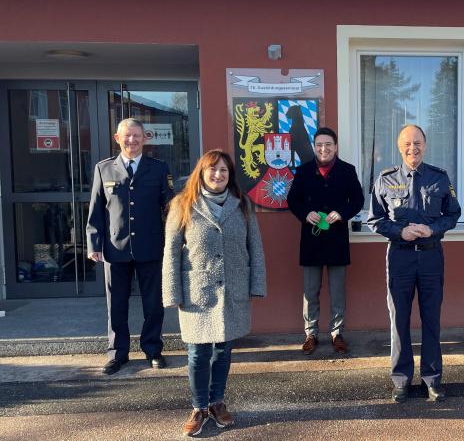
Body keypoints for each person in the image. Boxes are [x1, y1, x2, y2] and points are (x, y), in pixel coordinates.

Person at [162, 149, 266, 437]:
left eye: (224, 171)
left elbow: (254, 246)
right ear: (202, 172)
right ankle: (199, 406)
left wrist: (256, 284)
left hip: (233, 288)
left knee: (224, 350)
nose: (218, 175)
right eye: (213, 170)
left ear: (230, 175)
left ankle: (217, 401)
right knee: (197, 353)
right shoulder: (182, 204)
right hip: (197, 292)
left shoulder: (242, 204)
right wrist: (172, 292)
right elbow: (171, 252)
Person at [368, 124, 461, 403]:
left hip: (431, 256)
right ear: (400, 147)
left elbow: (453, 214)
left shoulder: (440, 178)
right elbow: (375, 220)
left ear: (425, 144)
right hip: (400, 257)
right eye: (407, 144)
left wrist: (433, 229)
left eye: (418, 143)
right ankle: (401, 380)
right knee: (399, 320)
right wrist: (401, 232)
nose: (413, 148)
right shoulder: (385, 179)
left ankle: (432, 379)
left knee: (431, 319)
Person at [86, 118, 173, 375]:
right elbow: (96, 210)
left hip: (150, 246)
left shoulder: (158, 168)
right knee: (117, 304)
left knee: (153, 304)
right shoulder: (104, 169)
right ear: (117, 138)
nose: (132, 141)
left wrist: (174, 241)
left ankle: (153, 350)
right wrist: (94, 243)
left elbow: (169, 208)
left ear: (144, 138)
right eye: (127, 136)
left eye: (136, 136)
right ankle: (117, 353)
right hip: (115, 247)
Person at [286, 127, 364, 355]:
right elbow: (293, 200)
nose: (324, 148)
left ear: (336, 146)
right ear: (314, 146)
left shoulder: (347, 170)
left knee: (337, 290)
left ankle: (336, 333)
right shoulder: (303, 171)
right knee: (310, 291)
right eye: (319, 144)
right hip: (311, 239)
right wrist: (305, 213)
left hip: (337, 238)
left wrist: (341, 213)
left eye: (328, 144)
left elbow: (358, 200)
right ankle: (311, 333)